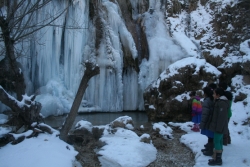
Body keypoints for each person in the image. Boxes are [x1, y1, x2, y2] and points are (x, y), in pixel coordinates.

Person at [208, 88, 230, 166]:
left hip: (219, 127)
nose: (213, 95)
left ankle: (218, 159)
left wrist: (219, 128)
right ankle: (217, 158)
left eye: (214, 94)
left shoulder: (222, 103)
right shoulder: (220, 102)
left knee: (217, 141)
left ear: (218, 95)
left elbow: (222, 117)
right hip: (219, 126)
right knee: (219, 141)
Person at [200, 87, 214, 156]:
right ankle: (208, 148)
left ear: (205, 93)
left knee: (210, 136)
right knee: (210, 136)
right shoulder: (212, 99)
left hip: (209, 120)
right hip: (212, 120)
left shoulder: (207, 101)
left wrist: (202, 123)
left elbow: (205, 113)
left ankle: (210, 151)